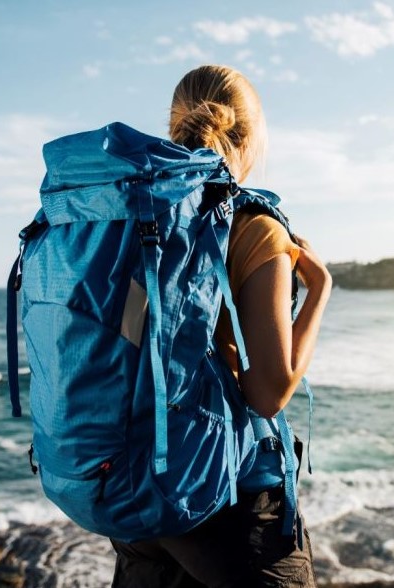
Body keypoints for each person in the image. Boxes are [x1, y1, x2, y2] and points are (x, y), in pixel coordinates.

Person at [110, 65, 332, 587]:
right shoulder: (255, 226)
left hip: (139, 489)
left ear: (173, 126)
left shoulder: (138, 219)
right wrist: (319, 292)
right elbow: (268, 392)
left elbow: (128, 340)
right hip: (225, 495)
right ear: (250, 138)